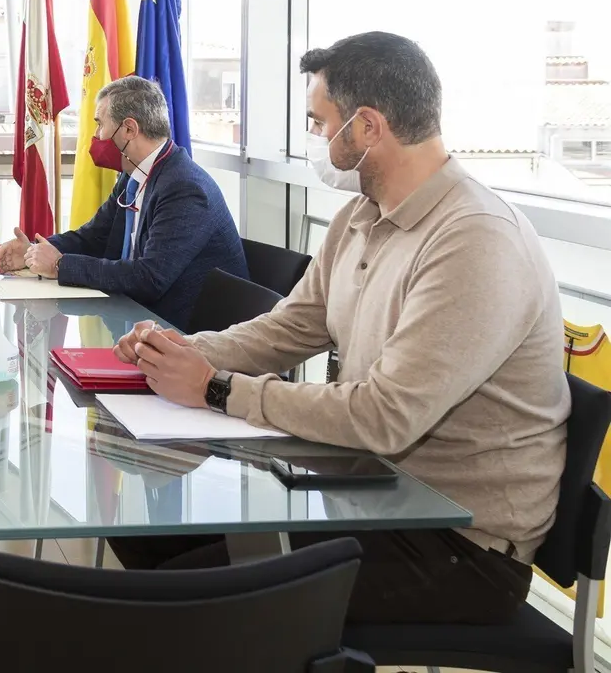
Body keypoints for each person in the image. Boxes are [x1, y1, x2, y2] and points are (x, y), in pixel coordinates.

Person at [109, 31, 570, 626]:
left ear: (368, 126)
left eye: (319, 123)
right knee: (148, 538)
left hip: (454, 544)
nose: (317, 140)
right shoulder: (361, 216)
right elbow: (291, 327)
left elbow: (384, 416)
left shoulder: (475, 241)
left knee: (176, 606)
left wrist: (217, 388)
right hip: (368, 490)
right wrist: (179, 351)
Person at [0, 76, 247, 330]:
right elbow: (94, 237)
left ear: (129, 129)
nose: (96, 135)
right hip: (139, 321)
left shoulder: (185, 188)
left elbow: (150, 277)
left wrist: (60, 265)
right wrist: (34, 252)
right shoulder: (133, 175)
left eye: (100, 124)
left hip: (189, 336)